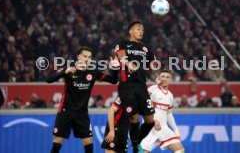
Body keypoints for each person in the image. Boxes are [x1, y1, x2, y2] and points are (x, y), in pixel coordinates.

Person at [46, 47, 119, 153]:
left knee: (89, 143)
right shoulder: (69, 68)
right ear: (78, 57)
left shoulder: (93, 72)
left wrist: (115, 68)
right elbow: (48, 80)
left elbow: (113, 81)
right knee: (57, 142)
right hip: (65, 111)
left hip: (82, 114)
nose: (87, 59)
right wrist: (65, 72)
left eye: (89, 57)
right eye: (84, 56)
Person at [115, 21, 158, 152]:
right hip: (126, 85)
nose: (141, 31)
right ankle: (135, 147)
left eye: (142, 30)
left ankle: (136, 141)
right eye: (138, 29)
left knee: (150, 121)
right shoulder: (123, 44)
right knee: (134, 119)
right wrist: (128, 64)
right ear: (131, 31)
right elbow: (121, 56)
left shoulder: (147, 49)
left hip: (141, 85)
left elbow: (152, 67)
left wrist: (155, 69)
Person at [141, 70, 185, 153]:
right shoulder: (152, 89)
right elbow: (143, 106)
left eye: (167, 77)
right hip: (148, 128)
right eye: (163, 77)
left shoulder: (170, 95)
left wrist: (176, 130)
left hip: (163, 128)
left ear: (170, 80)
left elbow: (169, 114)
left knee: (179, 150)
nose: (165, 79)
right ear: (159, 78)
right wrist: (153, 120)